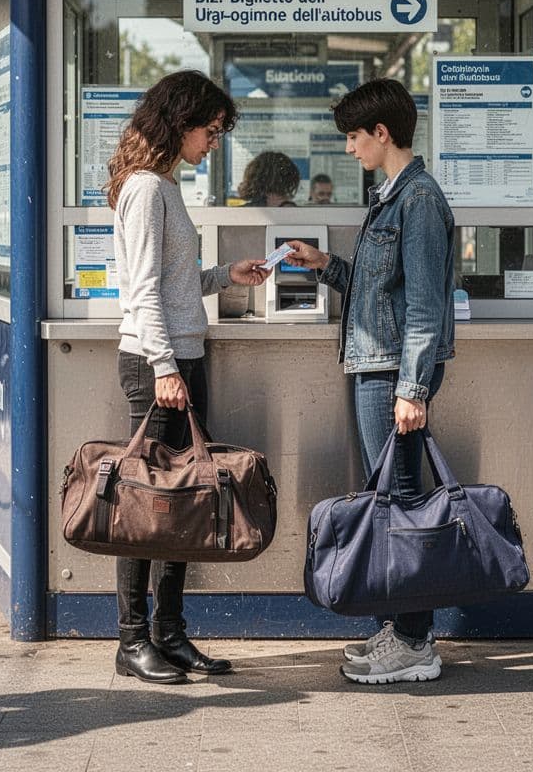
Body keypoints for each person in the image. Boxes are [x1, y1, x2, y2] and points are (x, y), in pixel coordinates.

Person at [285, 78, 455, 686]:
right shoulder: (394, 196)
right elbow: (383, 288)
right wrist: (324, 265)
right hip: (378, 366)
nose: (350, 148)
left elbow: (425, 306)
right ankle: (400, 626)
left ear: (382, 133)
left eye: (355, 136)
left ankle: (414, 642)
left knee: (403, 502)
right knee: (388, 500)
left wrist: (412, 389)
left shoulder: (419, 200)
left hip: (391, 375)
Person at [106, 70, 268, 685]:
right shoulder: (146, 188)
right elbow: (142, 291)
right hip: (159, 366)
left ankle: (169, 633)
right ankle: (132, 640)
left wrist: (227, 275)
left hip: (181, 359)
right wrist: (164, 366)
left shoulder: (165, 186)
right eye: (212, 130)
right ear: (181, 122)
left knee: (180, 499)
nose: (214, 142)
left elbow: (174, 284)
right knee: (145, 500)